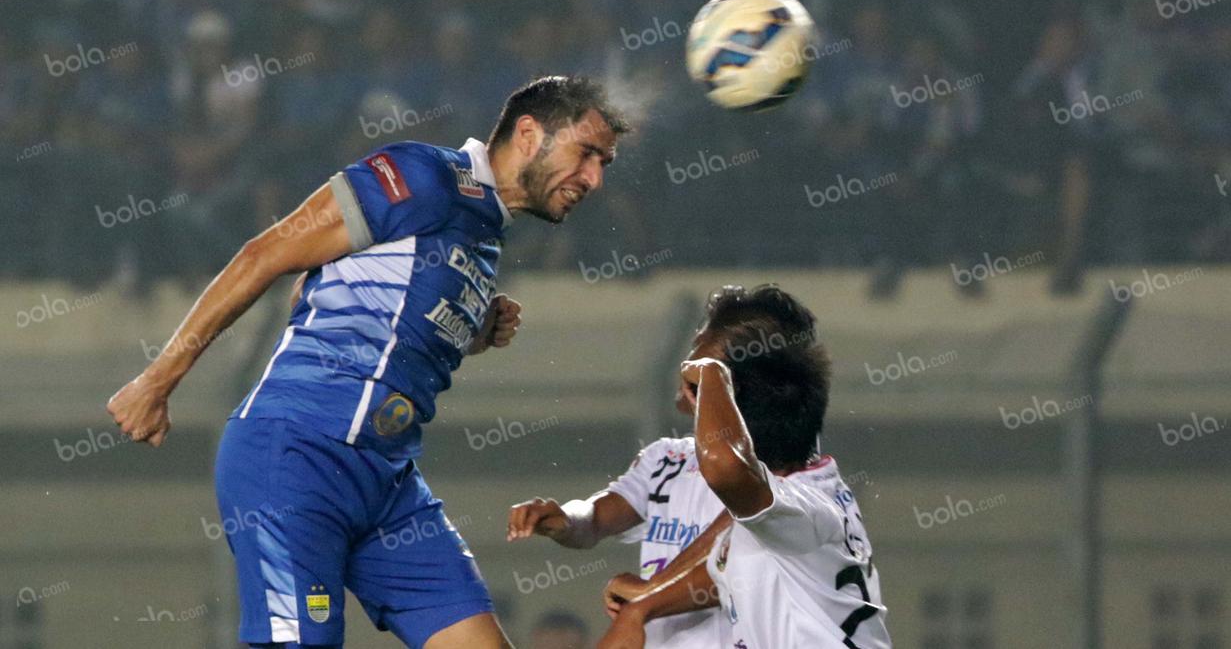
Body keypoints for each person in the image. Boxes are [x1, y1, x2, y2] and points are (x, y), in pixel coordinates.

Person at [106, 76, 627, 648]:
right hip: (298, 456)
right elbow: (267, 253)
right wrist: (157, 381)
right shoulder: (423, 175)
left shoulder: (485, 230)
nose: (594, 179)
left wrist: (475, 330)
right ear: (528, 134)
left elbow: (344, 296)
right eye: (587, 153)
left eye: (604, 163)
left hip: (387, 483)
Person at [506, 283, 826, 647]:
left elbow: (734, 550)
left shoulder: (785, 472)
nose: (689, 362)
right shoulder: (665, 459)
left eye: (702, 350)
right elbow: (595, 518)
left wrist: (649, 596)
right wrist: (565, 519)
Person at [598, 285, 891, 649]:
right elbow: (718, 567)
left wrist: (712, 374)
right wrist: (645, 603)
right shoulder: (778, 508)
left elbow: (725, 469)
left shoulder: (804, 506)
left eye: (702, 392)